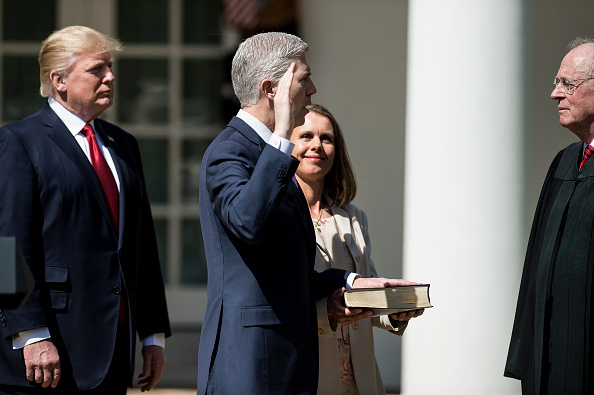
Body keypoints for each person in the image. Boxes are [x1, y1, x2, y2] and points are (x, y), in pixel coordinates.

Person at [197, 32, 416, 394]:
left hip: (290, 362)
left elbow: (286, 270)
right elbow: (247, 223)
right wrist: (282, 134)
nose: (313, 89)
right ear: (272, 90)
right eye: (304, 78)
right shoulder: (230, 151)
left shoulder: (274, 158)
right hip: (251, 362)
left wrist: (351, 283)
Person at [0, 26, 171, 394]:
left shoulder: (123, 144)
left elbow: (141, 244)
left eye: (110, 67)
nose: (110, 77)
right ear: (59, 79)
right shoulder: (19, 141)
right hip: (49, 349)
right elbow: (7, 246)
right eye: (97, 69)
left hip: (113, 347)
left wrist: (152, 333)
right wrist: (30, 333)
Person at [290, 104, 424, 395]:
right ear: (288, 145)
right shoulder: (278, 214)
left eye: (327, 138)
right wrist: (328, 311)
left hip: (359, 376)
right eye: (306, 136)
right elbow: (282, 297)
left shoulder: (353, 217)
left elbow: (365, 292)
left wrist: (394, 312)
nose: (317, 145)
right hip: (310, 372)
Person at [505, 37, 594, 394]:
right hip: (548, 358)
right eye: (556, 83)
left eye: (567, 84)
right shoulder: (565, 161)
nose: (555, 94)